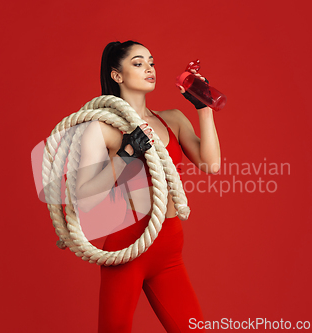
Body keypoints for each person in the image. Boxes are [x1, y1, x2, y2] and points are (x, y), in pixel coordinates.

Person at [75, 40, 221, 333]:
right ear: (117, 76)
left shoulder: (173, 120)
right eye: (138, 63)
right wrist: (126, 155)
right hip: (128, 246)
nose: (149, 69)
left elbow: (211, 164)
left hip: (169, 248)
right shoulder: (101, 128)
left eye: (151, 62)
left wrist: (204, 108)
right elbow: (85, 199)